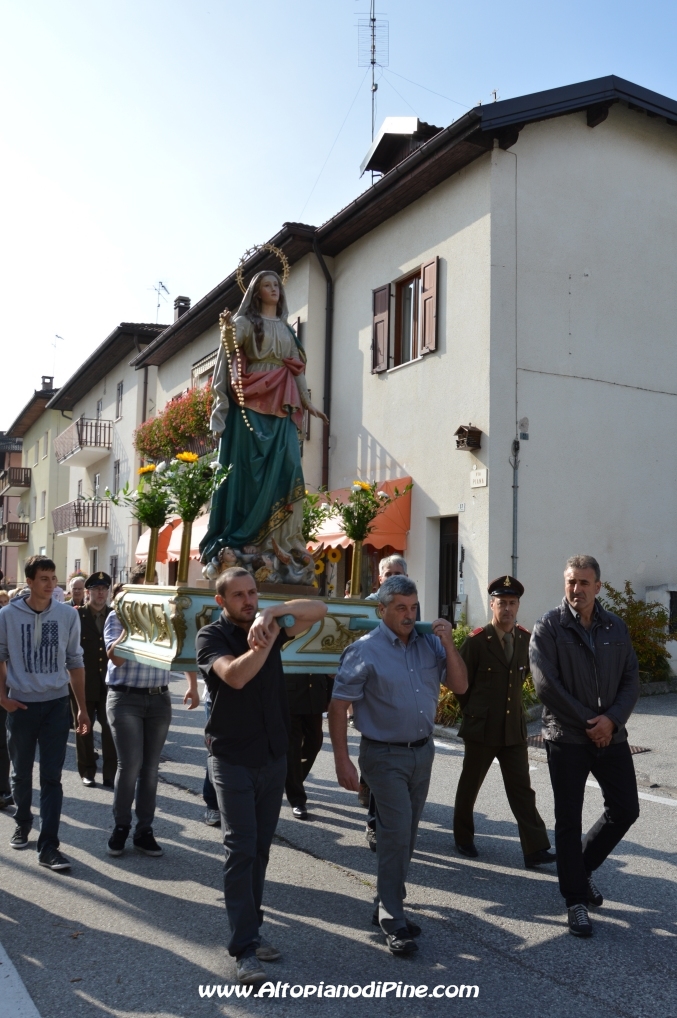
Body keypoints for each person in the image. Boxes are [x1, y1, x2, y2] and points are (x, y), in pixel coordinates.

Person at [196, 566, 327, 985]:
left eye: (252, 593)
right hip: (232, 759)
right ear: (221, 601)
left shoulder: (265, 621)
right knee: (240, 849)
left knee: (261, 850)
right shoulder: (210, 637)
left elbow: (320, 609)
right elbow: (235, 676)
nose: (248, 600)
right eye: (238, 595)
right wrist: (264, 641)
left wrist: (274, 613)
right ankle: (244, 949)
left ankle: (252, 928)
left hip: (272, 758)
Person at [328, 575, 468, 956]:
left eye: (413, 607)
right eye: (401, 608)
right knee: (395, 834)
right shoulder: (364, 651)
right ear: (382, 610)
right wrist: (342, 760)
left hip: (422, 752)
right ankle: (393, 918)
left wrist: (448, 644)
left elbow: (460, 685)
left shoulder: (427, 644)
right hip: (383, 755)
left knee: (407, 835)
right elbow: (338, 707)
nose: (409, 616)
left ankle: (385, 906)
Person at [529, 555, 640, 938]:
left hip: (611, 735)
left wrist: (612, 721)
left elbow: (630, 678)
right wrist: (589, 722)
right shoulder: (548, 627)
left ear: (598, 586)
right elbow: (546, 686)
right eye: (570, 582)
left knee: (626, 808)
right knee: (568, 819)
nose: (575, 590)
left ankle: (582, 868)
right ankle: (575, 899)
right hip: (567, 737)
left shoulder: (615, 627)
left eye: (583, 582)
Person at [200, 271, 328, 570]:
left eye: (276, 285)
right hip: (251, 406)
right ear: (256, 293)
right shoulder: (245, 323)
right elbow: (229, 355)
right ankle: (249, 539)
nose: (274, 290)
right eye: (267, 286)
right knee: (248, 476)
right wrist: (228, 330)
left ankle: (285, 539)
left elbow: (296, 368)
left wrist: (308, 402)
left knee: (290, 467)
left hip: (282, 407)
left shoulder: (286, 329)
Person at [453, 575, 556, 869]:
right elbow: (461, 684)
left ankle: (535, 848)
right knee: (470, 785)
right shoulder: (477, 641)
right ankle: (463, 837)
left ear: (518, 605)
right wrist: (474, 711)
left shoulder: (525, 638)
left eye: (512, 603)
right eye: (502, 603)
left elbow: (520, 679)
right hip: (481, 728)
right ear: (492, 605)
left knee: (522, 788)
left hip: (513, 730)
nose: (507, 609)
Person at [0, 555, 89, 870]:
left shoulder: (67, 615)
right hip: (21, 705)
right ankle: (23, 821)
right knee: (21, 774)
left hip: (55, 704)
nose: (51, 584)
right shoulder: (7, 615)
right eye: (44, 579)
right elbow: (0, 656)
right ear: (29, 582)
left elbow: (75, 662)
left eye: (53, 578)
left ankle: (49, 846)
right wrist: (3, 698)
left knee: (52, 778)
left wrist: (81, 709)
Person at [104, 562, 198, 859]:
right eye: (145, 588)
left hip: (158, 699)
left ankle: (144, 831)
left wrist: (192, 684)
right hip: (126, 698)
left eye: (154, 588)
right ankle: (121, 826)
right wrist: (133, 623)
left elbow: (182, 648)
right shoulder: (116, 616)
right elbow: (115, 659)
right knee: (130, 765)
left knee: (151, 769)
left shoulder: (166, 616)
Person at [360, 553, 415, 850]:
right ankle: (375, 825)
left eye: (399, 572)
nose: (393, 576)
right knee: (379, 764)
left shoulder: (410, 604)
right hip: (373, 693)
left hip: (402, 692)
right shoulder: (368, 607)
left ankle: (397, 820)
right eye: (388, 572)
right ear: (380, 577)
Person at [72, 572, 117, 788]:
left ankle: (110, 773)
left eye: (104, 589)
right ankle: (87, 770)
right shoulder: (76, 616)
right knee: (83, 728)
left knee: (110, 729)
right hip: (83, 682)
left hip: (109, 683)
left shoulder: (115, 615)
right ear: (88, 592)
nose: (101, 593)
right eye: (96, 589)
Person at [284, 671, 332, 820]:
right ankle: (297, 799)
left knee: (314, 743)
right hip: (290, 695)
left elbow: (326, 664)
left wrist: (330, 695)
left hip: (315, 695)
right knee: (293, 750)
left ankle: (292, 780)